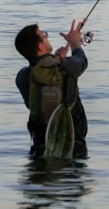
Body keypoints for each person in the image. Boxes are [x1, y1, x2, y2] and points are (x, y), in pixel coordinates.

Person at [14, 19, 88, 158]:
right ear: (41, 47)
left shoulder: (23, 77)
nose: (47, 37)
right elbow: (82, 61)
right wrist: (75, 43)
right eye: (44, 35)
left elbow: (43, 69)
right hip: (73, 147)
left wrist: (57, 58)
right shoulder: (66, 68)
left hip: (41, 146)